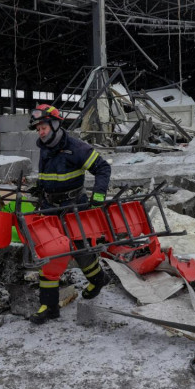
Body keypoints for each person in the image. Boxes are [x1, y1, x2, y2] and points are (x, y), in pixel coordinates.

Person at [27, 103, 112, 324]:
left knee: (81, 249)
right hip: (50, 206)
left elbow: (103, 168)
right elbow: (50, 175)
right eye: (38, 129)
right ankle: (49, 306)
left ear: (55, 125)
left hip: (74, 206)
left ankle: (98, 279)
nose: (40, 132)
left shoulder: (77, 147)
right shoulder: (44, 147)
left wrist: (99, 195)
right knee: (50, 251)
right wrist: (40, 188)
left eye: (43, 127)